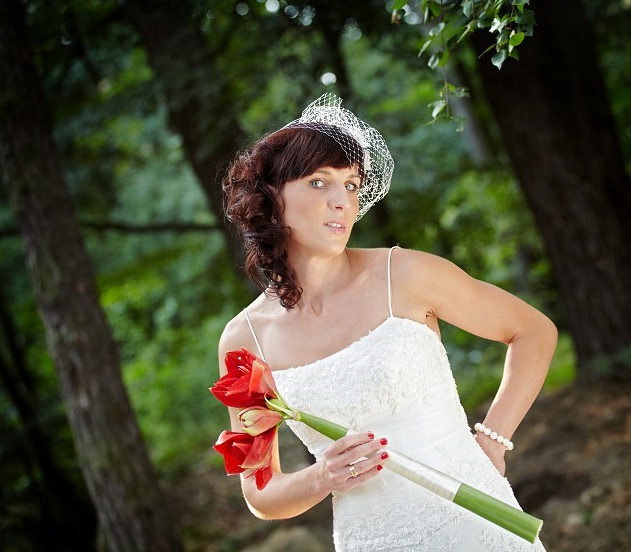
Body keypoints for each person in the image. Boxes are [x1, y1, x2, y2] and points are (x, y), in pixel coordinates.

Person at [218, 93, 557, 551]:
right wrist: (321, 476)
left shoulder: (408, 275)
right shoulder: (245, 340)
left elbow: (533, 331)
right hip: (371, 539)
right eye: (320, 183)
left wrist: (493, 439)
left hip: (477, 526)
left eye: (352, 185)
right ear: (271, 198)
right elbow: (261, 494)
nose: (342, 201)